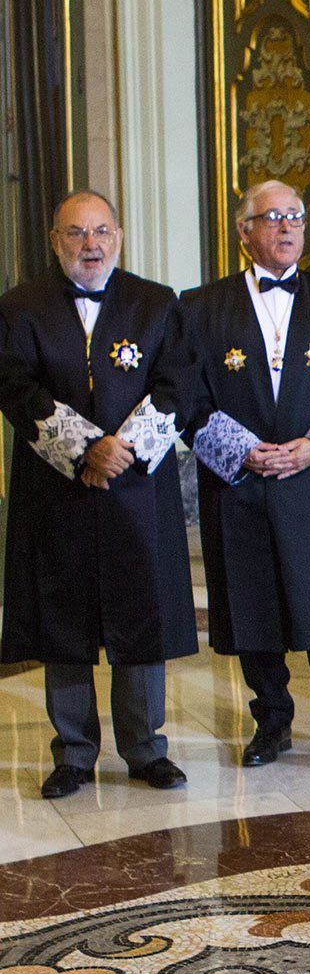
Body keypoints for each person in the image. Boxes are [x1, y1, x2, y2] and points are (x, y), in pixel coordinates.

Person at [0, 191, 197, 798]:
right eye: (77, 233)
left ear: (119, 235)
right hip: (55, 490)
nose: (91, 244)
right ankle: (75, 752)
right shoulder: (19, 307)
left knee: (140, 612)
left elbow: (177, 383)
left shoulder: (156, 303)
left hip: (136, 489)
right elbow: (14, 385)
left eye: (102, 231)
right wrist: (87, 448)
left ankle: (144, 749)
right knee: (63, 617)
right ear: (55, 240)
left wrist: (120, 451)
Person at [179, 180, 310, 773]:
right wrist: (243, 451)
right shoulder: (198, 306)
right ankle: (271, 722)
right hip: (240, 485)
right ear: (244, 233)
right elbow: (187, 394)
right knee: (253, 604)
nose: (288, 227)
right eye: (271, 218)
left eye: (295, 215)